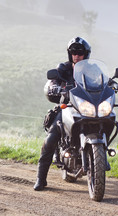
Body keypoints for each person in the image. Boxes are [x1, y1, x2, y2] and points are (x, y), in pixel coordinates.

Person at [34, 37, 91, 191]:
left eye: (80, 52)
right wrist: (55, 88)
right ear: (69, 54)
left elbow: (103, 81)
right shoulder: (63, 69)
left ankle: (99, 155)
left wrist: (113, 85)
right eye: (73, 52)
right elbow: (52, 83)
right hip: (67, 107)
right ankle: (41, 178)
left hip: (87, 108)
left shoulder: (91, 69)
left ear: (86, 54)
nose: (76, 55)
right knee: (52, 137)